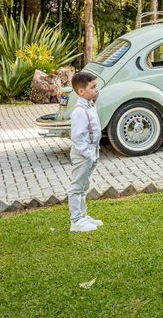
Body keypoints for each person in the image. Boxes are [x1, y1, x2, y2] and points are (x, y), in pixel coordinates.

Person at [68, 71, 104, 232]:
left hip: (92, 150)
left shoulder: (90, 105)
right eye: (93, 87)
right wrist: (87, 153)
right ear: (81, 91)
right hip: (83, 154)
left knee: (84, 185)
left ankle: (83, 215)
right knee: (77, 186)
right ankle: (76, 220)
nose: (96, 90)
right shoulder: (79, 111)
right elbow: (77, 136)